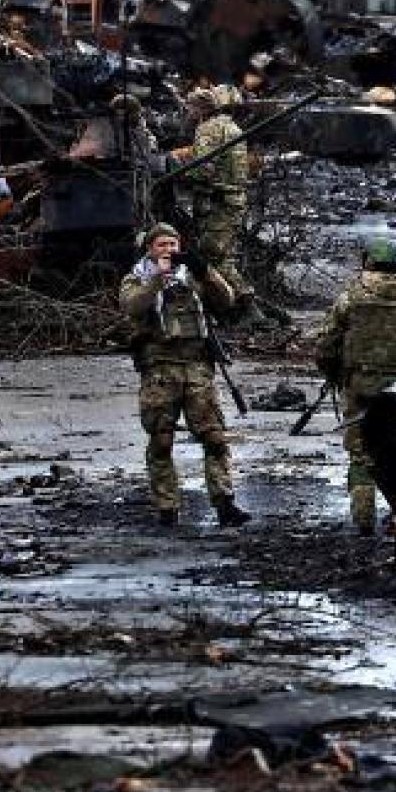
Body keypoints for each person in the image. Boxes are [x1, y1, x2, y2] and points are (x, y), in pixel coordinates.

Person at [119, 223, 252, 528]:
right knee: (161, 440)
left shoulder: (192, 275)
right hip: (159, 369)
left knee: (215, 437)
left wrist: (205, 270)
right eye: (162, 245)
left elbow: (226, 300)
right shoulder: (136, 277)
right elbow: (132, 306)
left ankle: (224, 502)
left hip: (196, 367)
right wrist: (157, 279)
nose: (169, 250)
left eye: (173, 244)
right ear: (150, 249)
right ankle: (167, 507)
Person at [316, 237, 396, 534]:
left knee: (360, 455)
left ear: (368, 261)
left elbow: (326, 345)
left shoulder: (350, 299)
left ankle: (364, 522)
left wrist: (333, 374)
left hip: (360, 387)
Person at [170, 85, 256, 319]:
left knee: (213, 257)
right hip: (233, 200)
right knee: (223, 255)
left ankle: (248, 306)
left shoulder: (208, 129)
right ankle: (229, 309)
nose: (187, 113)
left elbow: (204, 171)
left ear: (199, 110)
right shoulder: (232, 127)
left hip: (217, 203)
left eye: (189, 108)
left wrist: (178, 172)